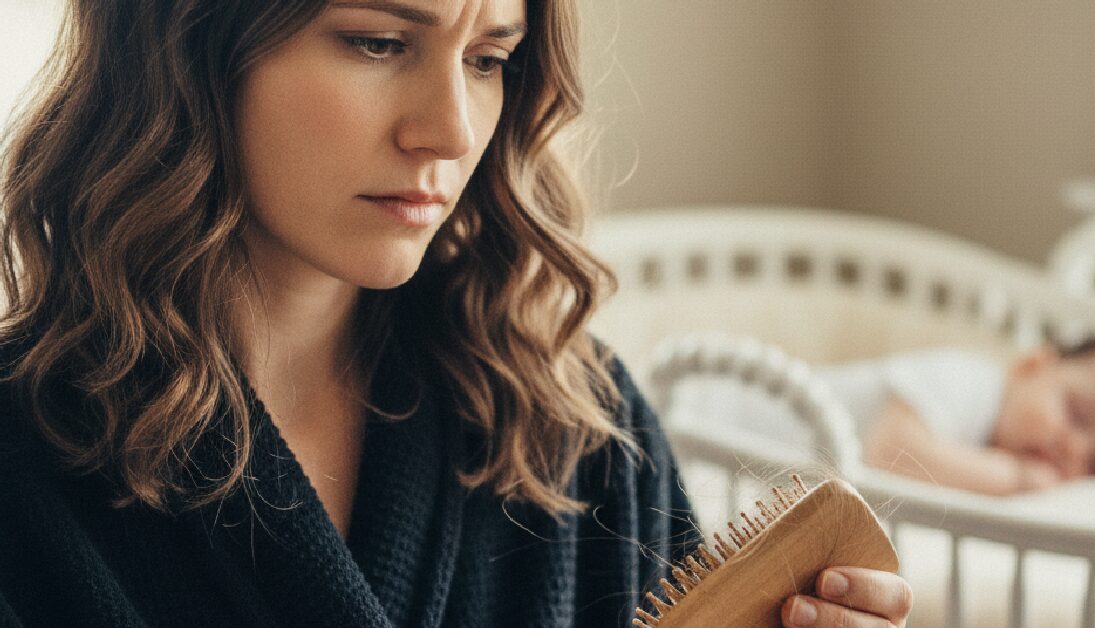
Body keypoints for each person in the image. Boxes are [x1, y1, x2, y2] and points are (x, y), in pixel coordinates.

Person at [0, 1, 912, 627]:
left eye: (488, 60)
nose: (451, 129)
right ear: (189, 39)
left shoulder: (575, 425)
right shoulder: (23, 464)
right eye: (378, 42)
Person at [818, 339, 1095, 495]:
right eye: (1077, 414)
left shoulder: (983, 447)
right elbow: (890, 453)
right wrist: (1016, 478)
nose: (1073, 447)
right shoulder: (969, 379)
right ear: (1032, 366)